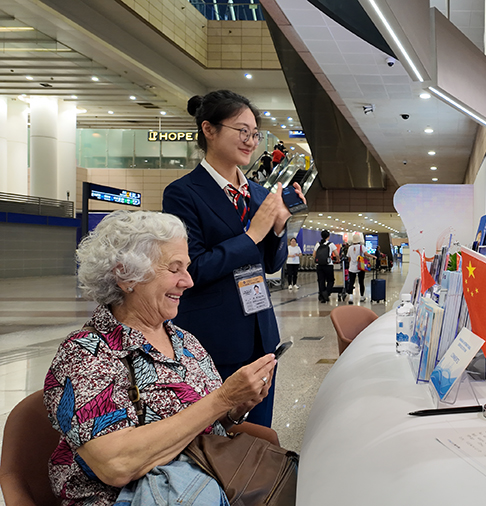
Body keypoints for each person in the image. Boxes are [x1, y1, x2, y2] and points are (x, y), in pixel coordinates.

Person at [44, 210, 276, 506]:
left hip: (205, 483)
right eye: (175, 268)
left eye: (187, 268)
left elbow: (201, 424)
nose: (189, 281)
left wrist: (232, 409)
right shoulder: (86, 354)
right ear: (126, 275)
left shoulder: (183, 340)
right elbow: (116, 464)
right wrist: (221, 400)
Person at [162, 90, 304, 427]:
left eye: (255, 134)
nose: (251, 141)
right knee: (217, 434)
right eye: (242, 131)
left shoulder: (257, 194)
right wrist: (253, 235)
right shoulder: (183, 193)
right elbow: (193, 268)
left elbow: (269, 264)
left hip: (262, 333)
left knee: (259, 431)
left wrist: (280, 228)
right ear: (209, 129)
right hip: (215, 337)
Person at [346, 232, 374, 304]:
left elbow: (349, 258)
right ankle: (362, 296)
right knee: (361, 282)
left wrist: (351, 263)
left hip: (351, 268)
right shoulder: (362, 247)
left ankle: (351, 297)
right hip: (360, 267)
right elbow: (366, 254)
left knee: (351, 282)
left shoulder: (350, 248)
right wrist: (373, 256)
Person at [315, 230, 337, 303]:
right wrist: (338, 259)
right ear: (328, 236)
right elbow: (336, 254)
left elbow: (314, 254)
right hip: (328, 265)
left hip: (319, 265)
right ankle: (326, 293)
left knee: (321, 281)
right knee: (331, 280)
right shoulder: (331, 244)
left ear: (321, 236)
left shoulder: (318, 244)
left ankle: (322, 296)